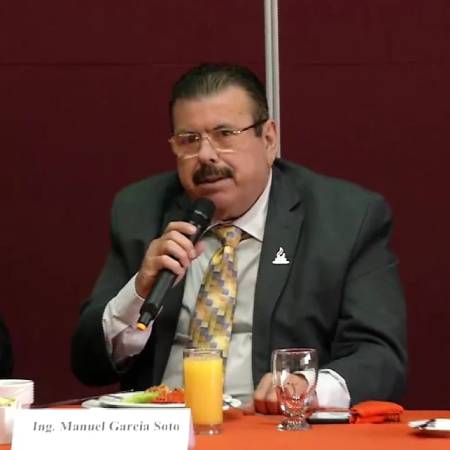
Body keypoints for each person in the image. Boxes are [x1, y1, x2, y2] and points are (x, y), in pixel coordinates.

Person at [71, 63, 407, 412]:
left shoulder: (346, 218)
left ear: (269, 140)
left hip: (272, 428)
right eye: (189, 140)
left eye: (225, 134)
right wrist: (137, 294)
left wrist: (308, 387)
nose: (206, 155)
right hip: (164, 426)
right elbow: (88, 364)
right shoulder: (140, 212)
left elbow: (381, 357)